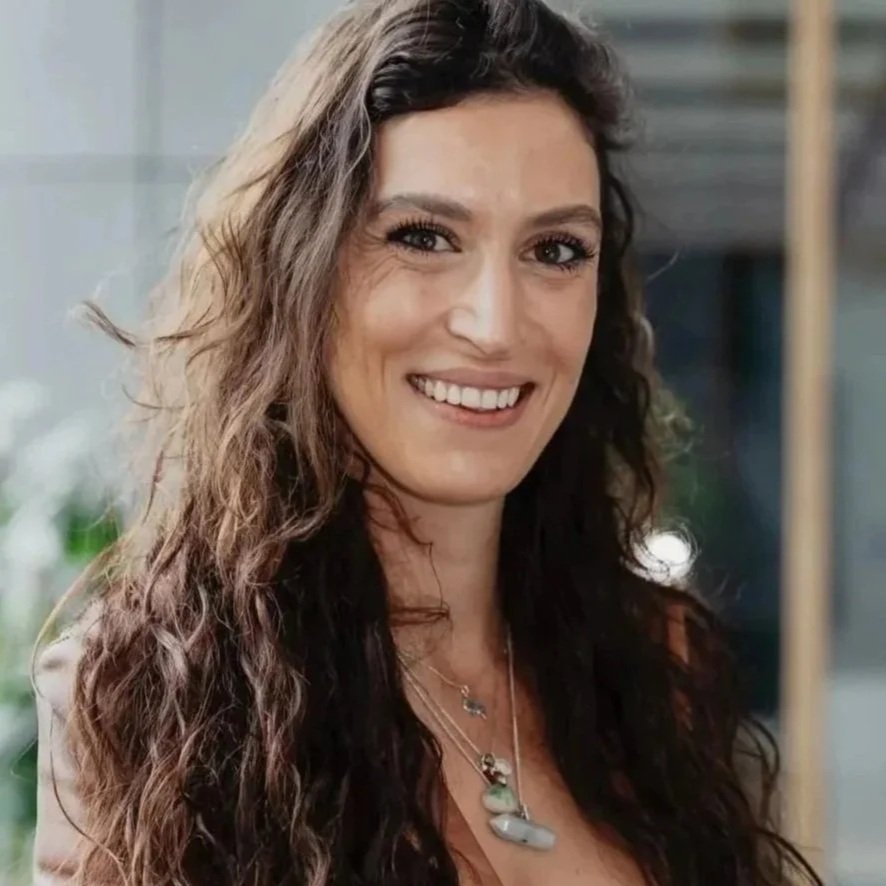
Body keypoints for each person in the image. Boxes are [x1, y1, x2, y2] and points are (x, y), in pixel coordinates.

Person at [32, 0, 823, 883]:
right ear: (305, 267)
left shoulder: (653, 661)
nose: (495, 324)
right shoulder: (143, 698)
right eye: (422, 237)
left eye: (556, 250)